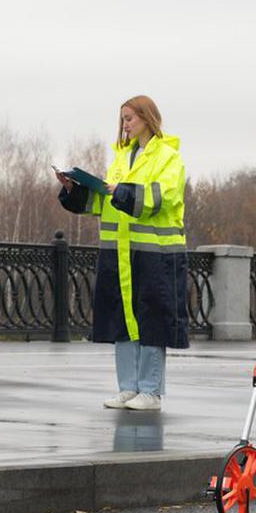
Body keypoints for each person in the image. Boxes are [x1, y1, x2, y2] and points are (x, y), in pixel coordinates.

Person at [55, 95, 187, 413]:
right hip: (120, 252)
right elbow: (105, 202)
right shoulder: (121, 158)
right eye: (122, 119)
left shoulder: (169, 157)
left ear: (146, 118)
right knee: (122, 318)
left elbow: (162, 197)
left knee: (151, 318)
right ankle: (128, 388)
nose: (124, 125)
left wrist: (122, 192)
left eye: (129, 118)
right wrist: (76, 191)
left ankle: (151, 392)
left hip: (156, 253)